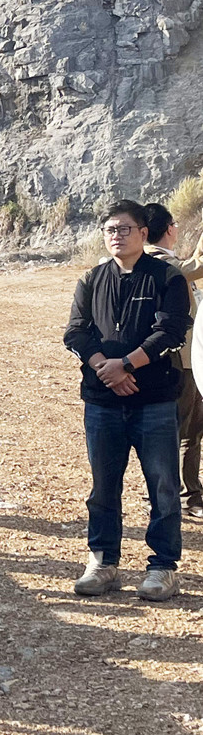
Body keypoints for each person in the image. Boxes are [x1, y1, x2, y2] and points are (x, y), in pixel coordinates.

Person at [64, 200, 191, 602]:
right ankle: (103, 562)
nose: (116, 236)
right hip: (102, 402)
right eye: (110, 230)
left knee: (163, 487)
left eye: (124, 229)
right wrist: (106, 368)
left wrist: (128, 365)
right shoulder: (92, 278)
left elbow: (171, 331)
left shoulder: (167, 277)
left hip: (154, 400)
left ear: (142, 233)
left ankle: (162, 568)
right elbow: (76, 332)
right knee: (103, 487)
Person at [142, 202, 203, 521]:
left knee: (188, 427)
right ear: (168, 229)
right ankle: (180, 495)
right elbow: (196, 267)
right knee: (182, 428)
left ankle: (183, 493)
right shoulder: (159, 262)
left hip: (182, 357)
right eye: (175, 224)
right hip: (177, 360)